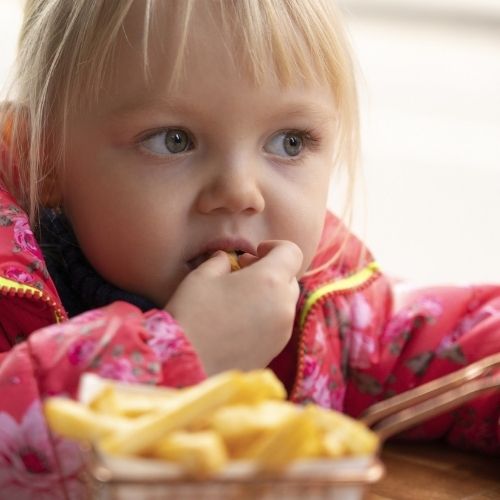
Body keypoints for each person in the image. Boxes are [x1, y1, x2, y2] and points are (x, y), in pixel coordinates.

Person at [0, 0, 498, 498]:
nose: (241, 192)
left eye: (289, 142)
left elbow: (470, 346)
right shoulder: (10, 303)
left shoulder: (332, 309)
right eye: (174, 140)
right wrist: (182, 349)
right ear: (42, 158)